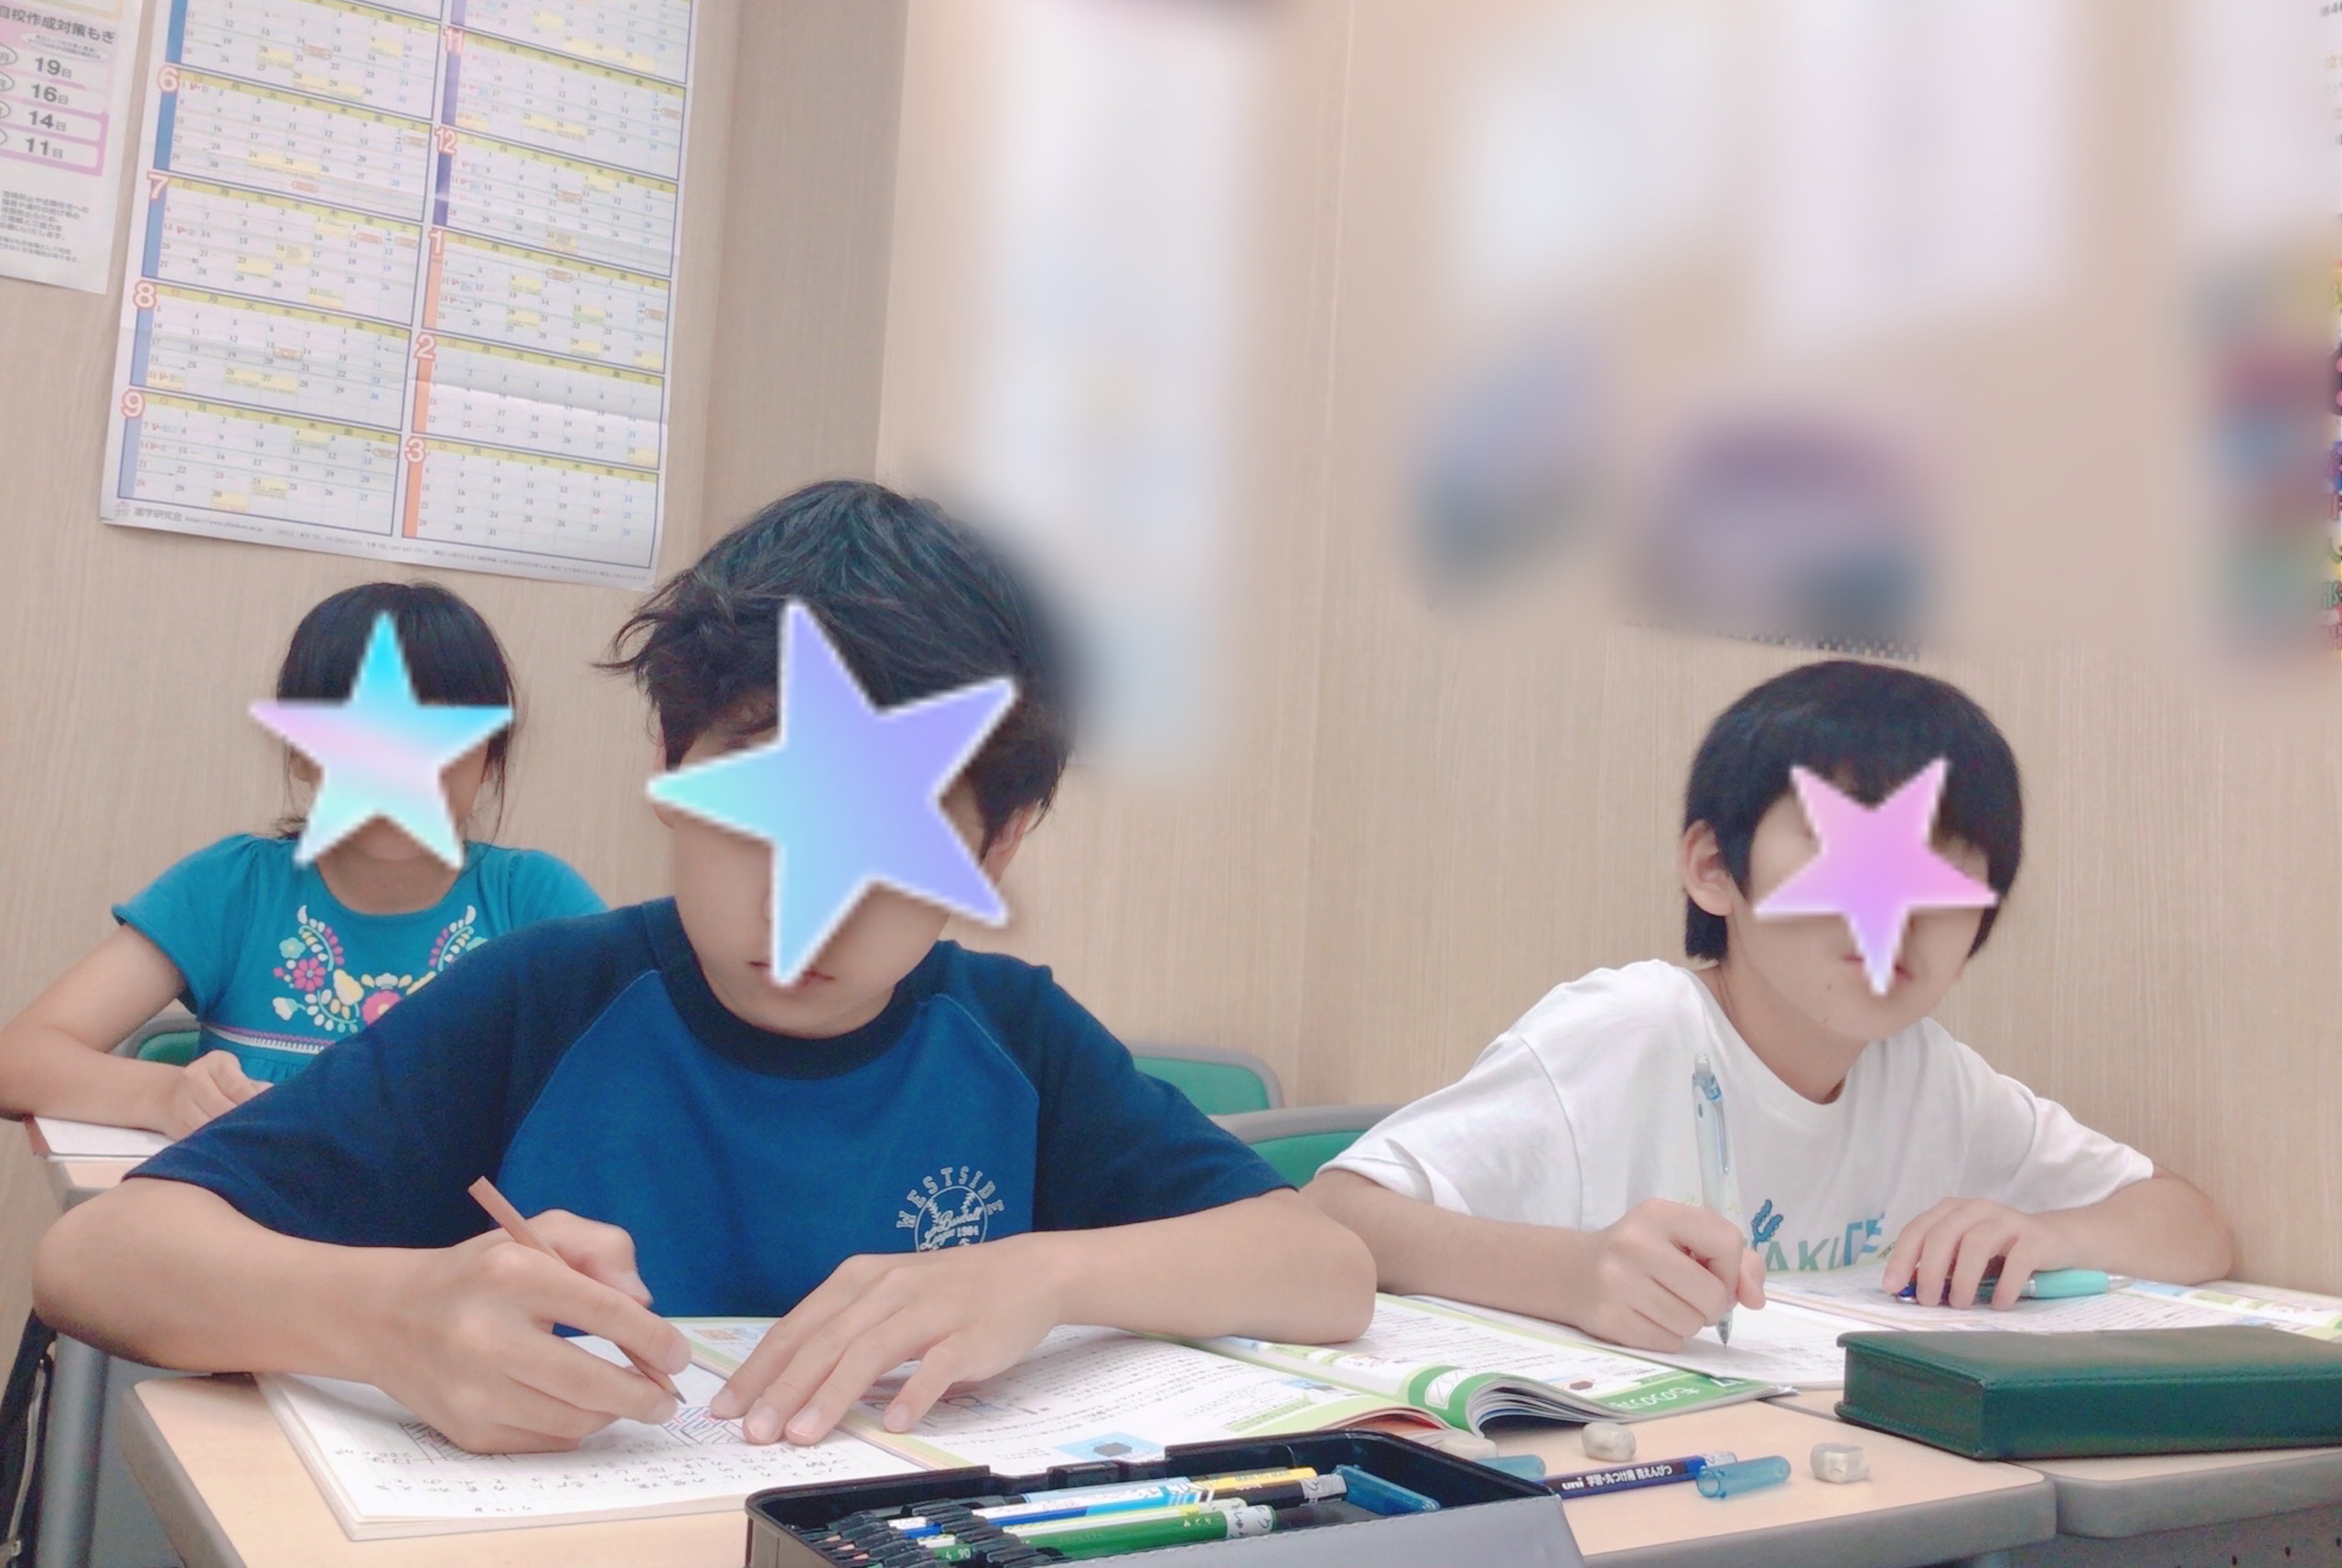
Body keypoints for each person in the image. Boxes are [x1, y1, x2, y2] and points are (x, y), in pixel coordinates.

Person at [34, 481, 1374, 1455]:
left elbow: (1321, 1266)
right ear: (673, 775)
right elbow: (99, 1257)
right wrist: (389, 1317)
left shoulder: (1013, 1036)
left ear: (997, 841)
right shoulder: (540, 999)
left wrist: (1042, 1275)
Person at [1307, 660, 2233, 1352]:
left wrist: (2050, 1233)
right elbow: (1336, 1211)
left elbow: (2192, 1228)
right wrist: (1574, 1274)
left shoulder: (1927, 1075)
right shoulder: (1632, 1031)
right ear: (1715, 868)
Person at [0, 582, 601, 1138]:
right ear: (299, 752)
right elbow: (18, 1060)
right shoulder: (235, 889)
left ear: (490, 758)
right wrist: (163, 1096)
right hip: (242, 1217)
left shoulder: (536, 901)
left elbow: (639, 1078)